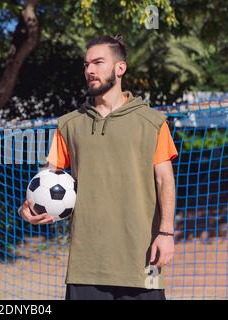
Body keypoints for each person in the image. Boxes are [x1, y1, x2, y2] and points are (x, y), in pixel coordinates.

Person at [19, 35, 178, 300]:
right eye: (86, 64)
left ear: (120, 68)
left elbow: (165, 180)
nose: (89, 70)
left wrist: (166, 232)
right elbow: (47, 179)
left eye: (98, 62)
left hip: (143, 261)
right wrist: (29, 207)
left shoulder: (152, 122)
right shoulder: (69, 124)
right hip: (86, 265)